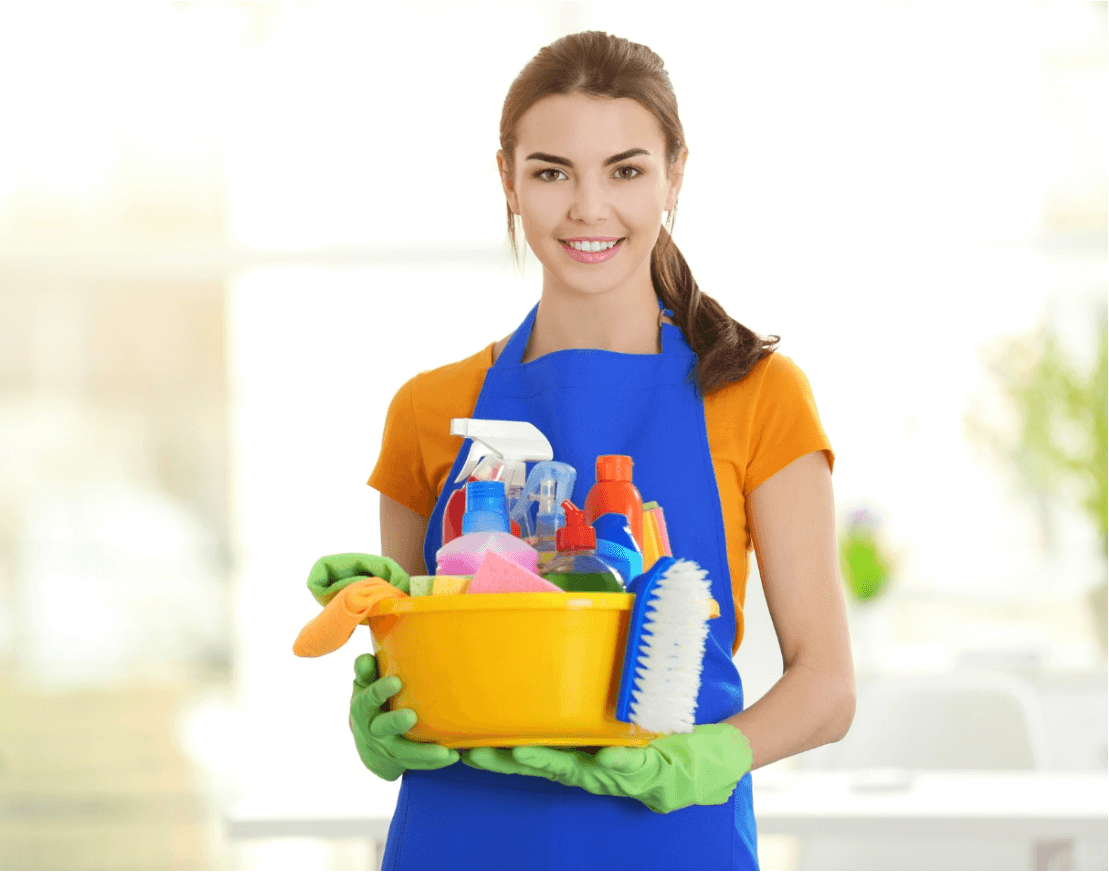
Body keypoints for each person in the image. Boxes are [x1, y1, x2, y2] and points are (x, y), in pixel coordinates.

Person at [333, 30, 855, 870]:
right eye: (550, 172)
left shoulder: (757, 394)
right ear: (506, 179)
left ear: (674, 175)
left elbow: (826, 688)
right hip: (460, 841)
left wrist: (703, 759)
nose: (587, 208)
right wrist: (385, 722)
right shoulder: (431, 412)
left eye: (625, 169)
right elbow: (413, 667)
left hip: (670, 839)